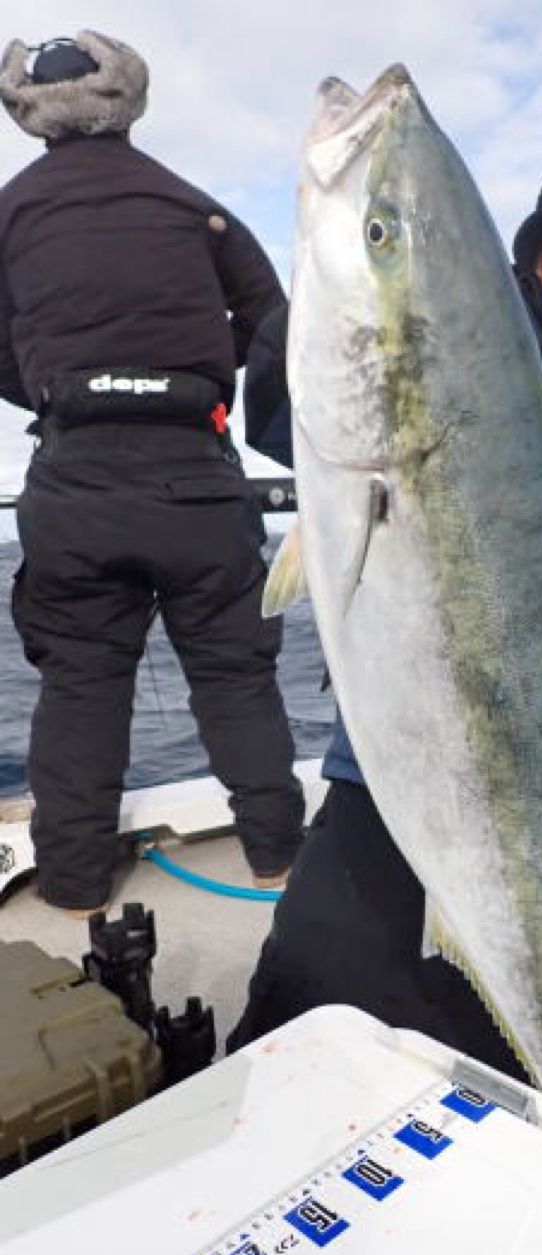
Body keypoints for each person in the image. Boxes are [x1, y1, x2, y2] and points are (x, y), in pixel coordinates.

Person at [229, 139, 542, 1225]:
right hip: (391, 767)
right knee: (286, 1044)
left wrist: (472, 423)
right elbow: (284, 414)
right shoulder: (447, 340)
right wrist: (338, 291)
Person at [0, 31, 305, 917]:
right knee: (235, 680)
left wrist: (64, 389)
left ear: (30, 109)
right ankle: (279, 859)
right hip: (195, 477)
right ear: (128, 99)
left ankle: (73, 885)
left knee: (81, 683)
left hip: (75, 476)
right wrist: (202, 372)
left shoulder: (12, 213)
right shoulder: (191, 205)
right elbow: (273, 318)